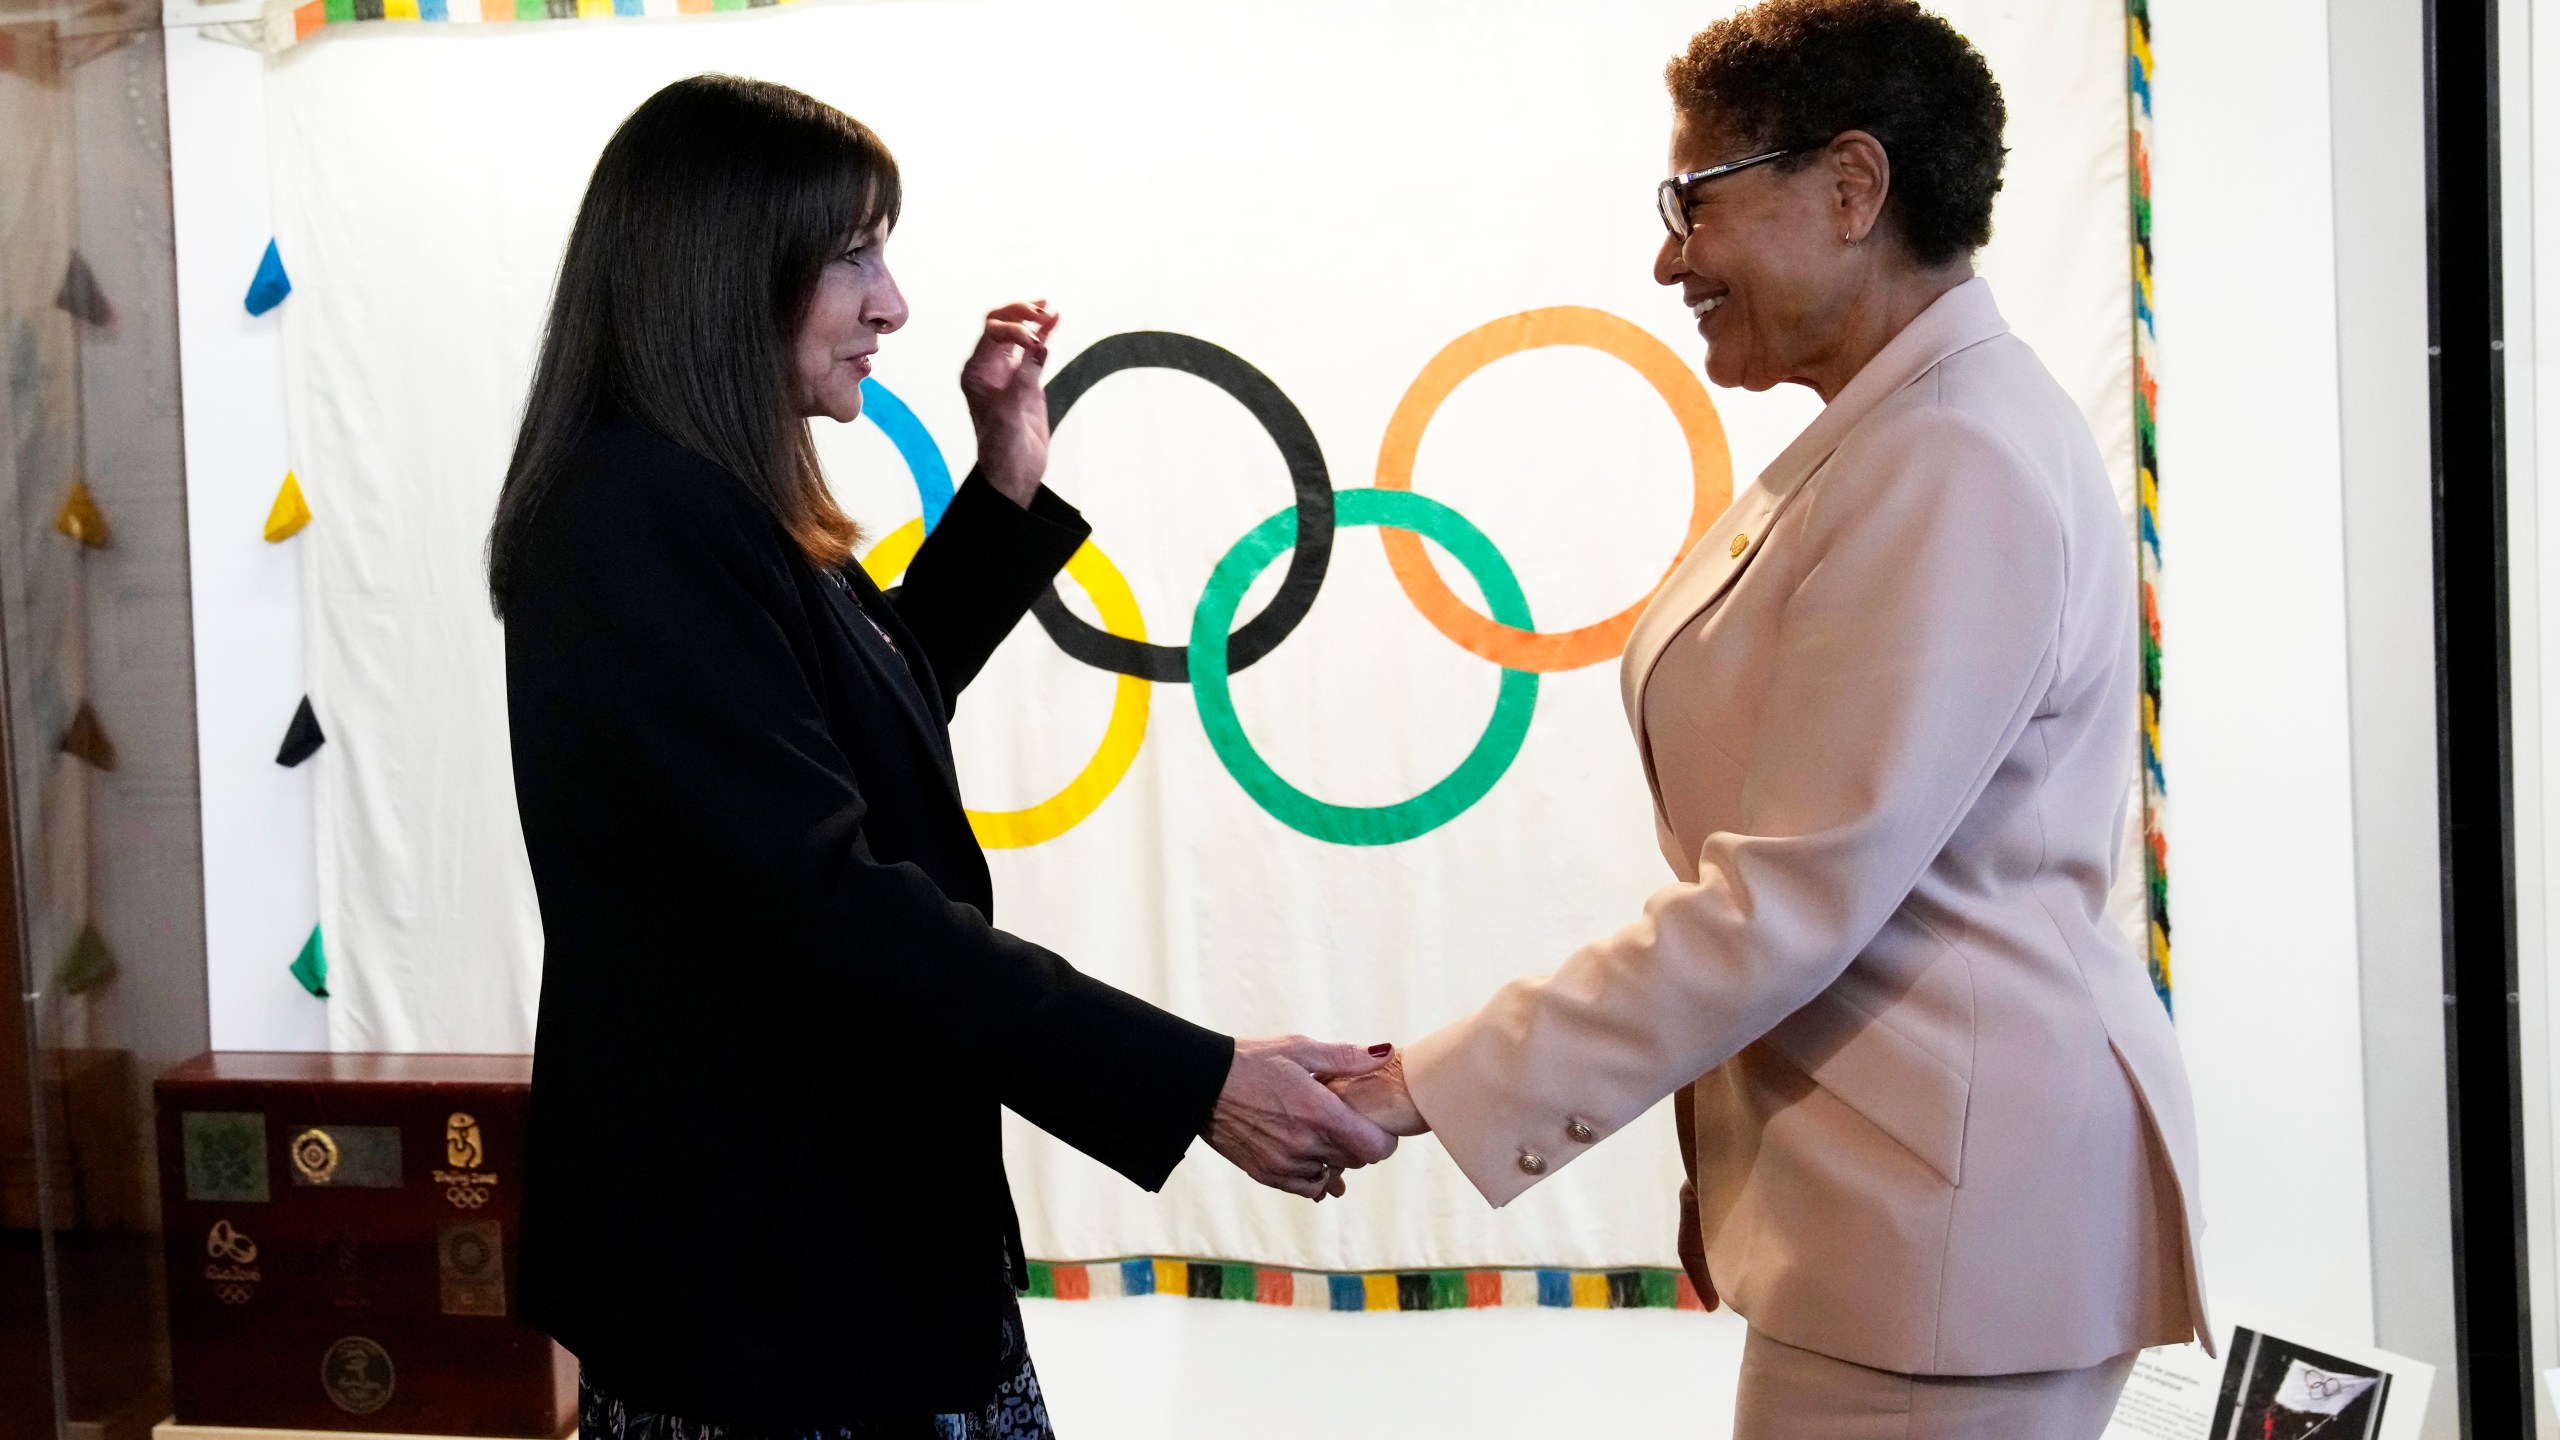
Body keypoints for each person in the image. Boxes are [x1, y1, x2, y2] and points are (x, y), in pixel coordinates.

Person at [1332, 3, 2208, 1435]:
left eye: (1695, 201)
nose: (1670, 255)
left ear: (1852, 188)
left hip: (1949, 1243)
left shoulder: (1953, 457)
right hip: (1910, 1215)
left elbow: (1786, 897)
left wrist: (1422, 1085)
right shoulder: (1904, 430)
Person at [488, 76, 1396, 1440]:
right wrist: (1191, 1080)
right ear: (728, 270)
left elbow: (865, 714)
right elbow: (829, 895)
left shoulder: (705, 498)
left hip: (841, 1267)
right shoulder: (637, 514)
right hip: (774, 1301)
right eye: (852, 252)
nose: (894, 304)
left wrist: (1004, 487)